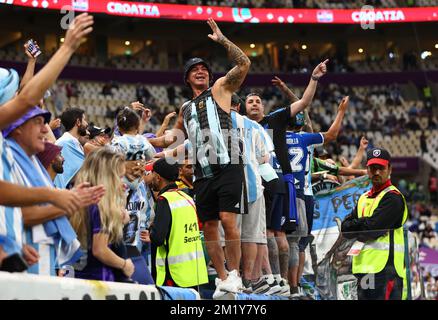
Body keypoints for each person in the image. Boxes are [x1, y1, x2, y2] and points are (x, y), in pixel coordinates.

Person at [171, 18, 251, 298]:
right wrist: (144, 144)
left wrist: (223, 41)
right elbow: (177, 142)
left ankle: (236, 275)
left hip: (229, 163)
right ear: (187, 78)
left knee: (229, 219)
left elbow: (244, 65)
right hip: (202, 172)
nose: (201, 71)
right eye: (195, 69)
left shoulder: (220, 89)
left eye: (204, 68)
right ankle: (222, 278)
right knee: (209, 228)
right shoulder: (184, 108)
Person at [244, 59, 328, 287]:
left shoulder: (276, 119)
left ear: (263, 107)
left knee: (275, 233)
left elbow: (304, 102)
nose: (254, 104)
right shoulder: (239, 126)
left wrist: (313, 78)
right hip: (251, 182)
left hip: (278, 184)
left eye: (257, 101)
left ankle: (278, 282)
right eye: (250, 101)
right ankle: (278, 282)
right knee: (268, 234)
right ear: (244, 107)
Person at [3, 106, 104, 275]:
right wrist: (70, 202)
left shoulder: (33, 165)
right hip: (30, 262)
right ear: (18, 128)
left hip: (39, 255)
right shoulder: (12, 158)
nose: (45, 129)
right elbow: (24, 215)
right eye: (38, 123)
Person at [341, 147, 408, 300]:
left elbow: (371, 230)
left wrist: (360, 224)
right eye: (373, 168)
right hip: (363, 269)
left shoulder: (393, 198)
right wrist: (366, 222)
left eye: (381, 168)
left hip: (386, 270)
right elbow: (345, 228)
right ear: (367, 169)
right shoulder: (363, 197)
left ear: (389, 169)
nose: (376, 172)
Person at [70, 148, 135, 282]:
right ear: (108, 177)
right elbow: (100, 250)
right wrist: (124, 265)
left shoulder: (80, 200)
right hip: (99, 280)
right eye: (120, 177)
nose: (122, 182)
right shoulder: (102, 206)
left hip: (76, 277)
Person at [149, 158, 208, 288]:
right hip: (194, 272)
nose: (151, 178)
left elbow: (158, 238)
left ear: (158, 177)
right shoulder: (187, 198)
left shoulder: (165, 200)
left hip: (174, 274)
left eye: (152, 174)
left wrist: (150, 231)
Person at [55, 108, 89, 189]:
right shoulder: (65, 142)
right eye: (84, 120)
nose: (87, 123)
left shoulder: (73, 142)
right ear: (78, 122)